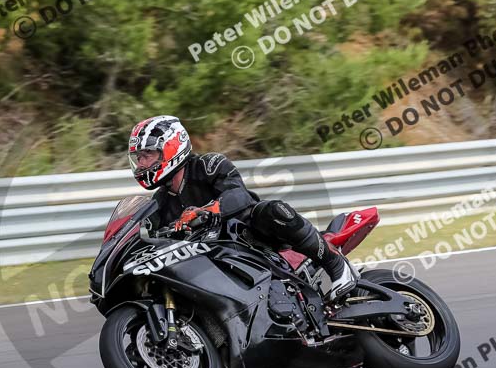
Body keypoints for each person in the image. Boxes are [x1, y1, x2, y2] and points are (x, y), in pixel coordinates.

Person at [127, 115, 358, 301]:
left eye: (148, 155)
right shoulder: (159, 202)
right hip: (213, 263)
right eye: (139, 158)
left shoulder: (208, 165)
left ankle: (335, 263)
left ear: (172, 147)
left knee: (273, 210)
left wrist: (207, 211)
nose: (141, 163)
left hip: (254, 240)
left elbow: (239, 195)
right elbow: (146, 237)